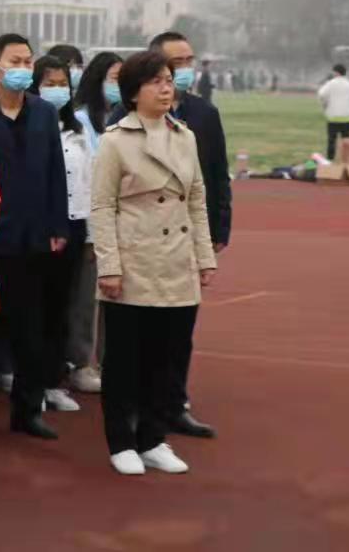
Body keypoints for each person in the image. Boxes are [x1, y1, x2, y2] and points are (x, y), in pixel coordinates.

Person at [91, 50, 217, 476]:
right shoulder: (115, 140)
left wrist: (204, 256)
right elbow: (102, 207)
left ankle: (153, 438)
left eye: (168, 80)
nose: (166, 88)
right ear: (133, 92)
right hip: (134, 260)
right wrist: (109, 265)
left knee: (167, 358)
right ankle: (120, 441)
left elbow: (196, 200)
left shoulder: (185, 136)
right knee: (124, 360)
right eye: (155, 82)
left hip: (178, 261)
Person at [110, 31, 230, 438]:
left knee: (179, 334)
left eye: (188, 61)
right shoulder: (121, 122)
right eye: (175, 64)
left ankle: (172, 405)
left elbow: (215, 176)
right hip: (140, 245)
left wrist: (219, 228)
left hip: (185, 238)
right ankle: (132, 412)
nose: (183, 71)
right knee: (138, 338)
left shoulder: (202, 115)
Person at [0, 34, 69, 440]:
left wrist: (58, 226)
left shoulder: (44, 112)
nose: (23, 68)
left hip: (34, 238)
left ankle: (28, 410)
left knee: (32, 332)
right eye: (15, 61)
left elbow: (55, 172)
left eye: (28, 61)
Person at [30, 55, 91, 412]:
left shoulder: (77, 129)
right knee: (33, 308)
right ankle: (29, 385)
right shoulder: (30, 125)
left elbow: (87, 180)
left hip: (74, 224)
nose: (57, 90)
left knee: (60, 306)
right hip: (38, 227)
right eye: (49, 83)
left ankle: (53, 381)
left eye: (62, 84)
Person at [66, 50, 124, 393]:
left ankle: (107, 360)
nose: (119, 85)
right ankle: (80, 362)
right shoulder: (80, 121)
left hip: (122, 224)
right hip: (92, 224)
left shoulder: (125, 119)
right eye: (114, 78)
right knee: (86, 298)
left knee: (116, 297)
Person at [318, 63, 349, 160]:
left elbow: (321, 94)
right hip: (347, 118)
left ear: (336, 72)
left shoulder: (331, 83)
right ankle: (347, 159)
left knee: (331, 140)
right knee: (347, 141)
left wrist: (325, 104)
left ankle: (330, 159)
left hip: (333, 117)